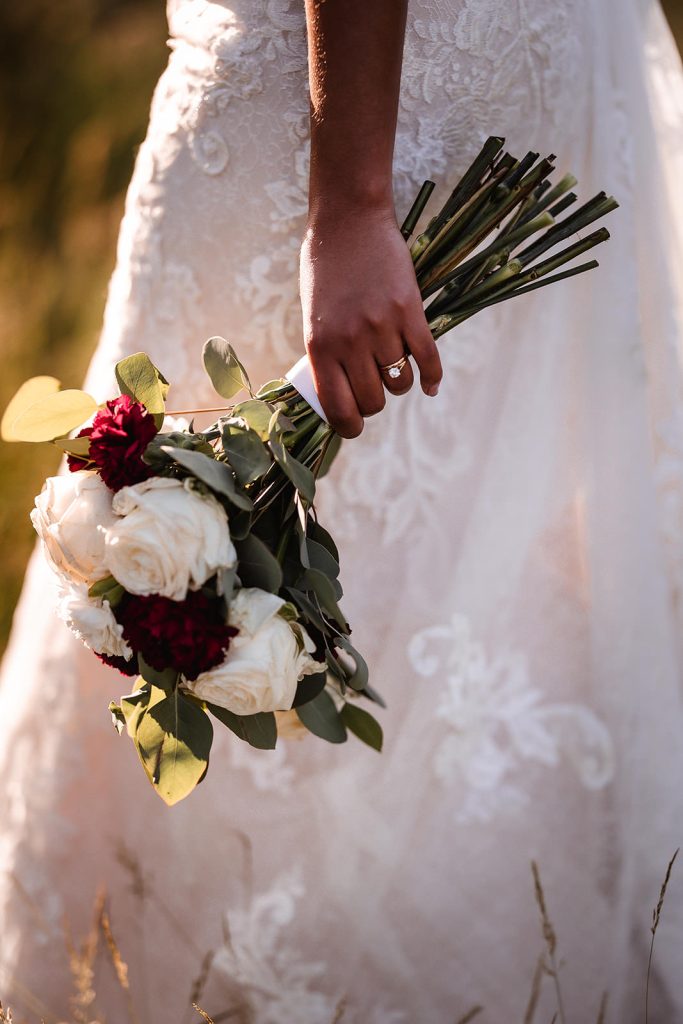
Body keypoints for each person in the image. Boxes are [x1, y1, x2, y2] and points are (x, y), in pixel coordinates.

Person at [1, 1, 683, 1020]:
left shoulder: (353, 193)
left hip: (349, 114)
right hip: (520, 66)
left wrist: (353, 202)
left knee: (441, 589)